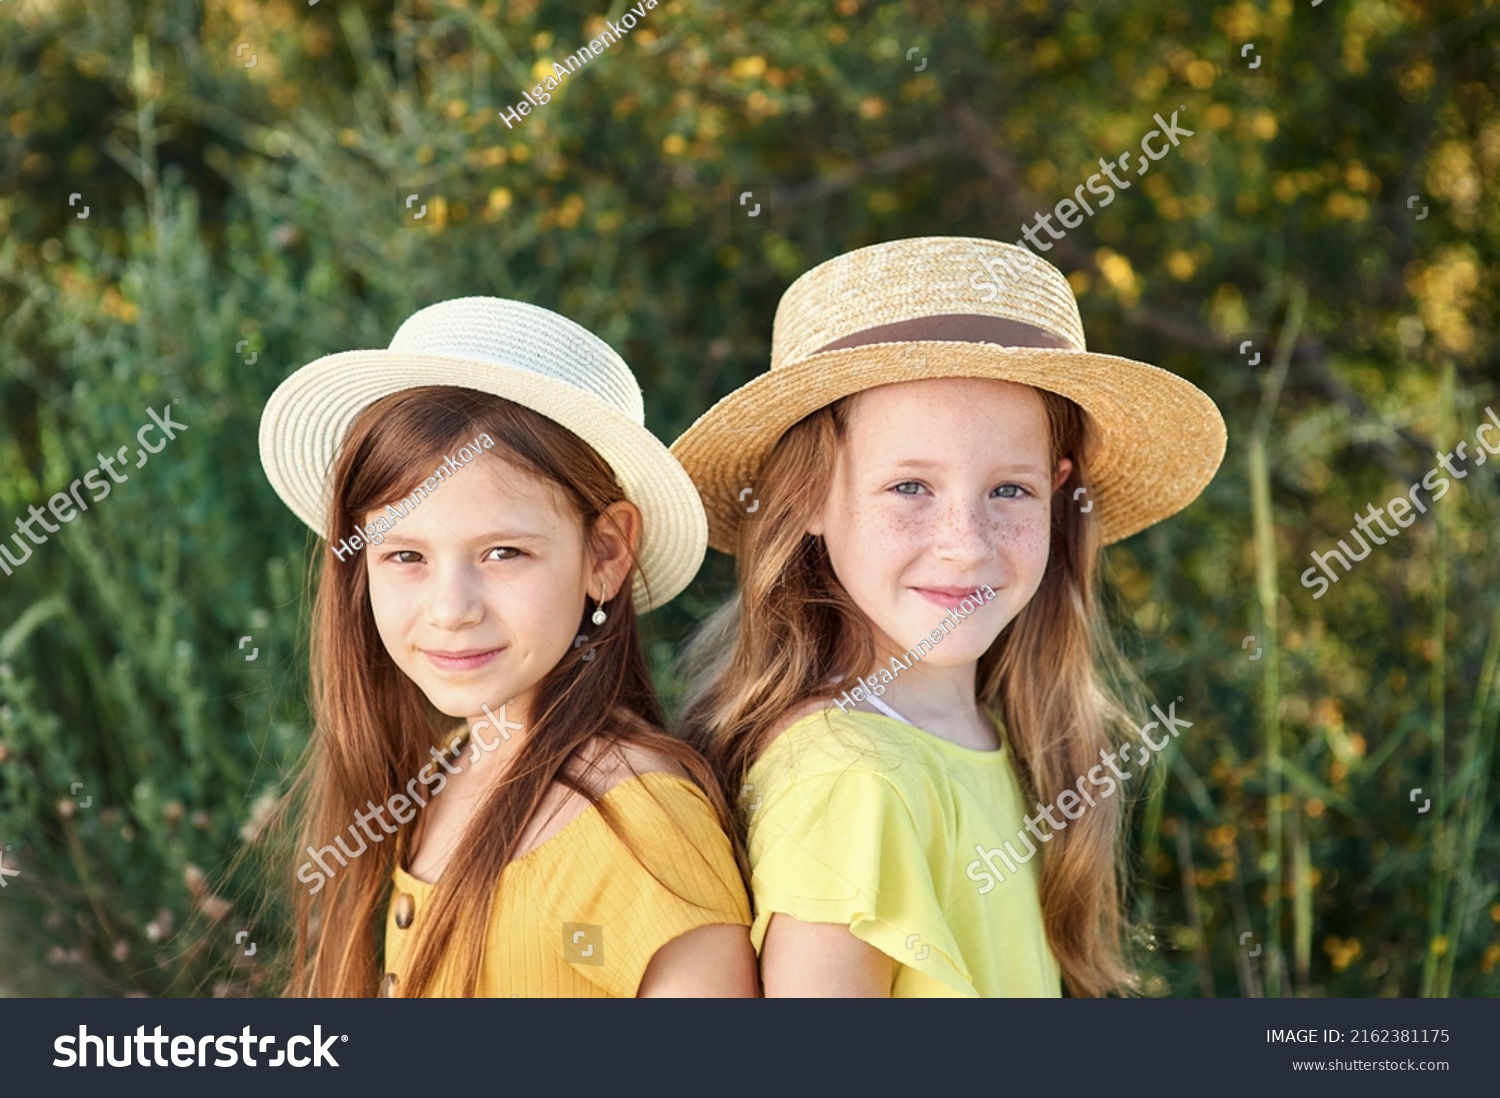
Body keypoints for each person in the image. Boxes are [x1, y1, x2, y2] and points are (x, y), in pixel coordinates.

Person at [673, 236, 1226, 997]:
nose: (965, 547)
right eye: (909, 487)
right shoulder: (848, 780)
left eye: (1009, 491)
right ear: (804, 497)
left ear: (1059, 494)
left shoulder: (998, 745)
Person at [258, 296, 756, 997]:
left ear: (605, 554)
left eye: (502, 552)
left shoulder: (644, 826)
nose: (451, 609)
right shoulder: (435, 780)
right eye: (405, 556)